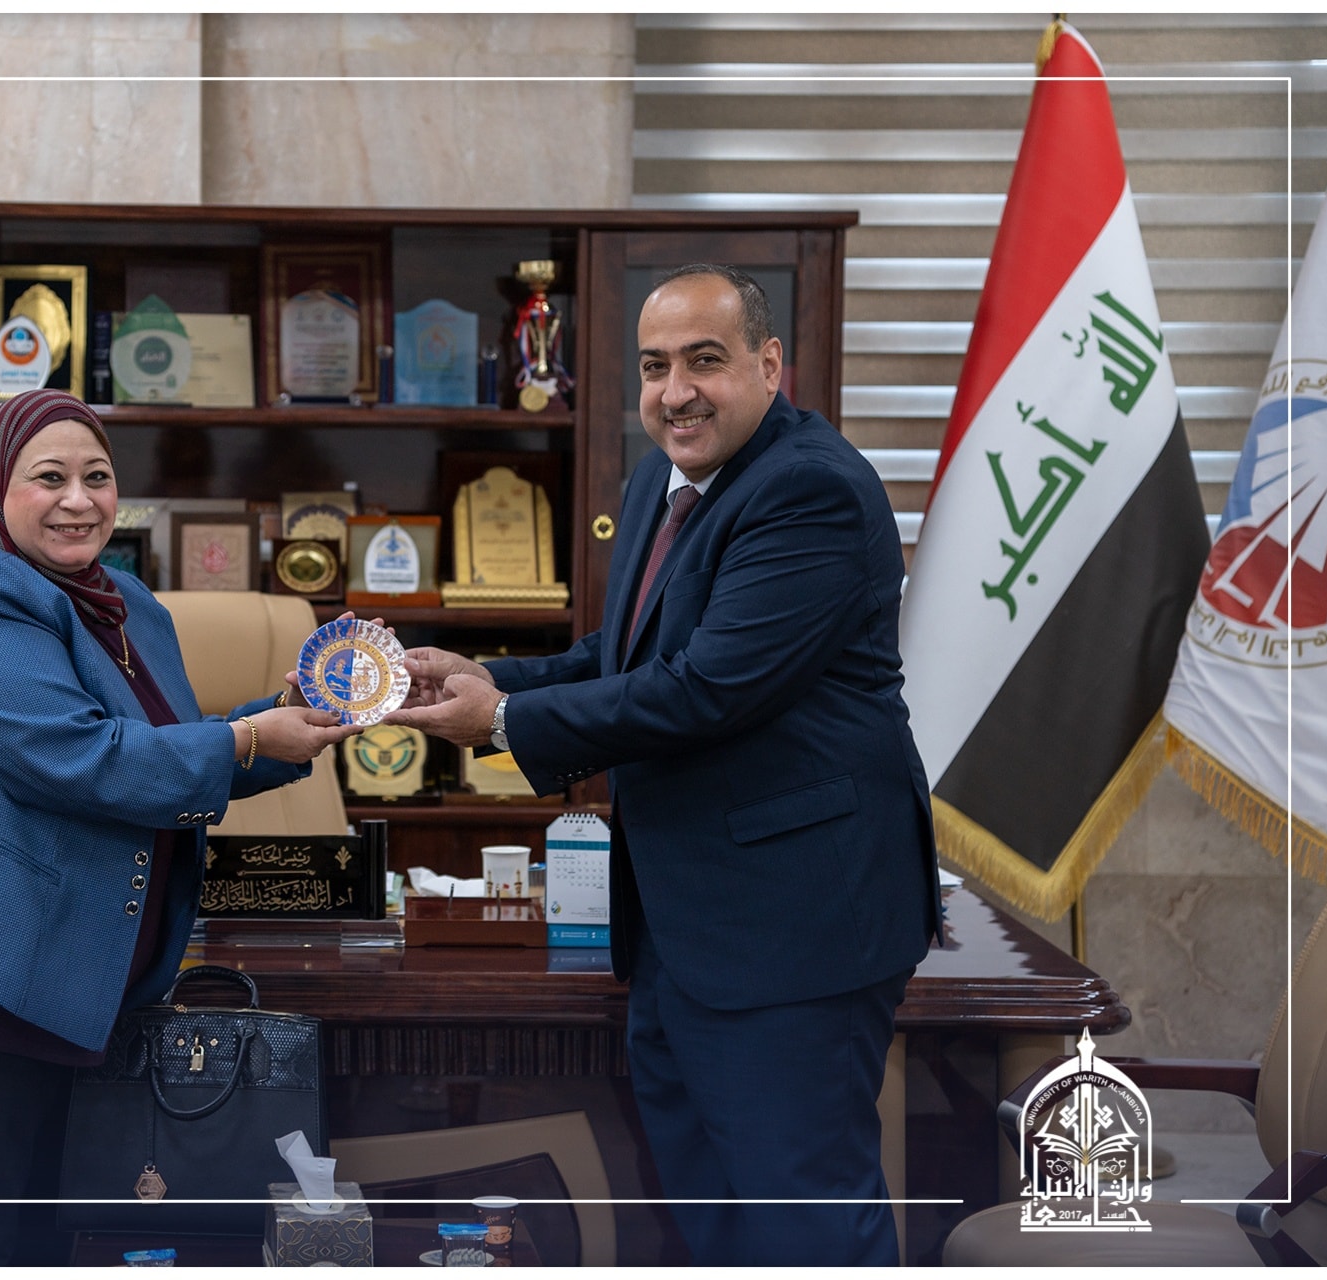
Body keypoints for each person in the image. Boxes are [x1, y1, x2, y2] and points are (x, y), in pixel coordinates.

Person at [388, 265, 941, 1266]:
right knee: (706, 1210)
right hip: (685, 924)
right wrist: (484, 675)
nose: (676, 391)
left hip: (793, 928)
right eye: (654, 367)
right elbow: (629, 653)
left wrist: (505, 719)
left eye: (704, 361)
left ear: (770, 364)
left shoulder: (810, 487)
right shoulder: (663, 477)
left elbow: (705, 689)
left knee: (804, 1216)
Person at [0, 388, 357, 1266]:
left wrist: (292, 714)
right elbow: (82, 760)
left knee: (39, 1248)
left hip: (61, 984)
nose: (79, 499)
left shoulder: (126, 603)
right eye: (50, 477)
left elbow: (159, 751)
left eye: (98, 477)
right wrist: (249, 737)